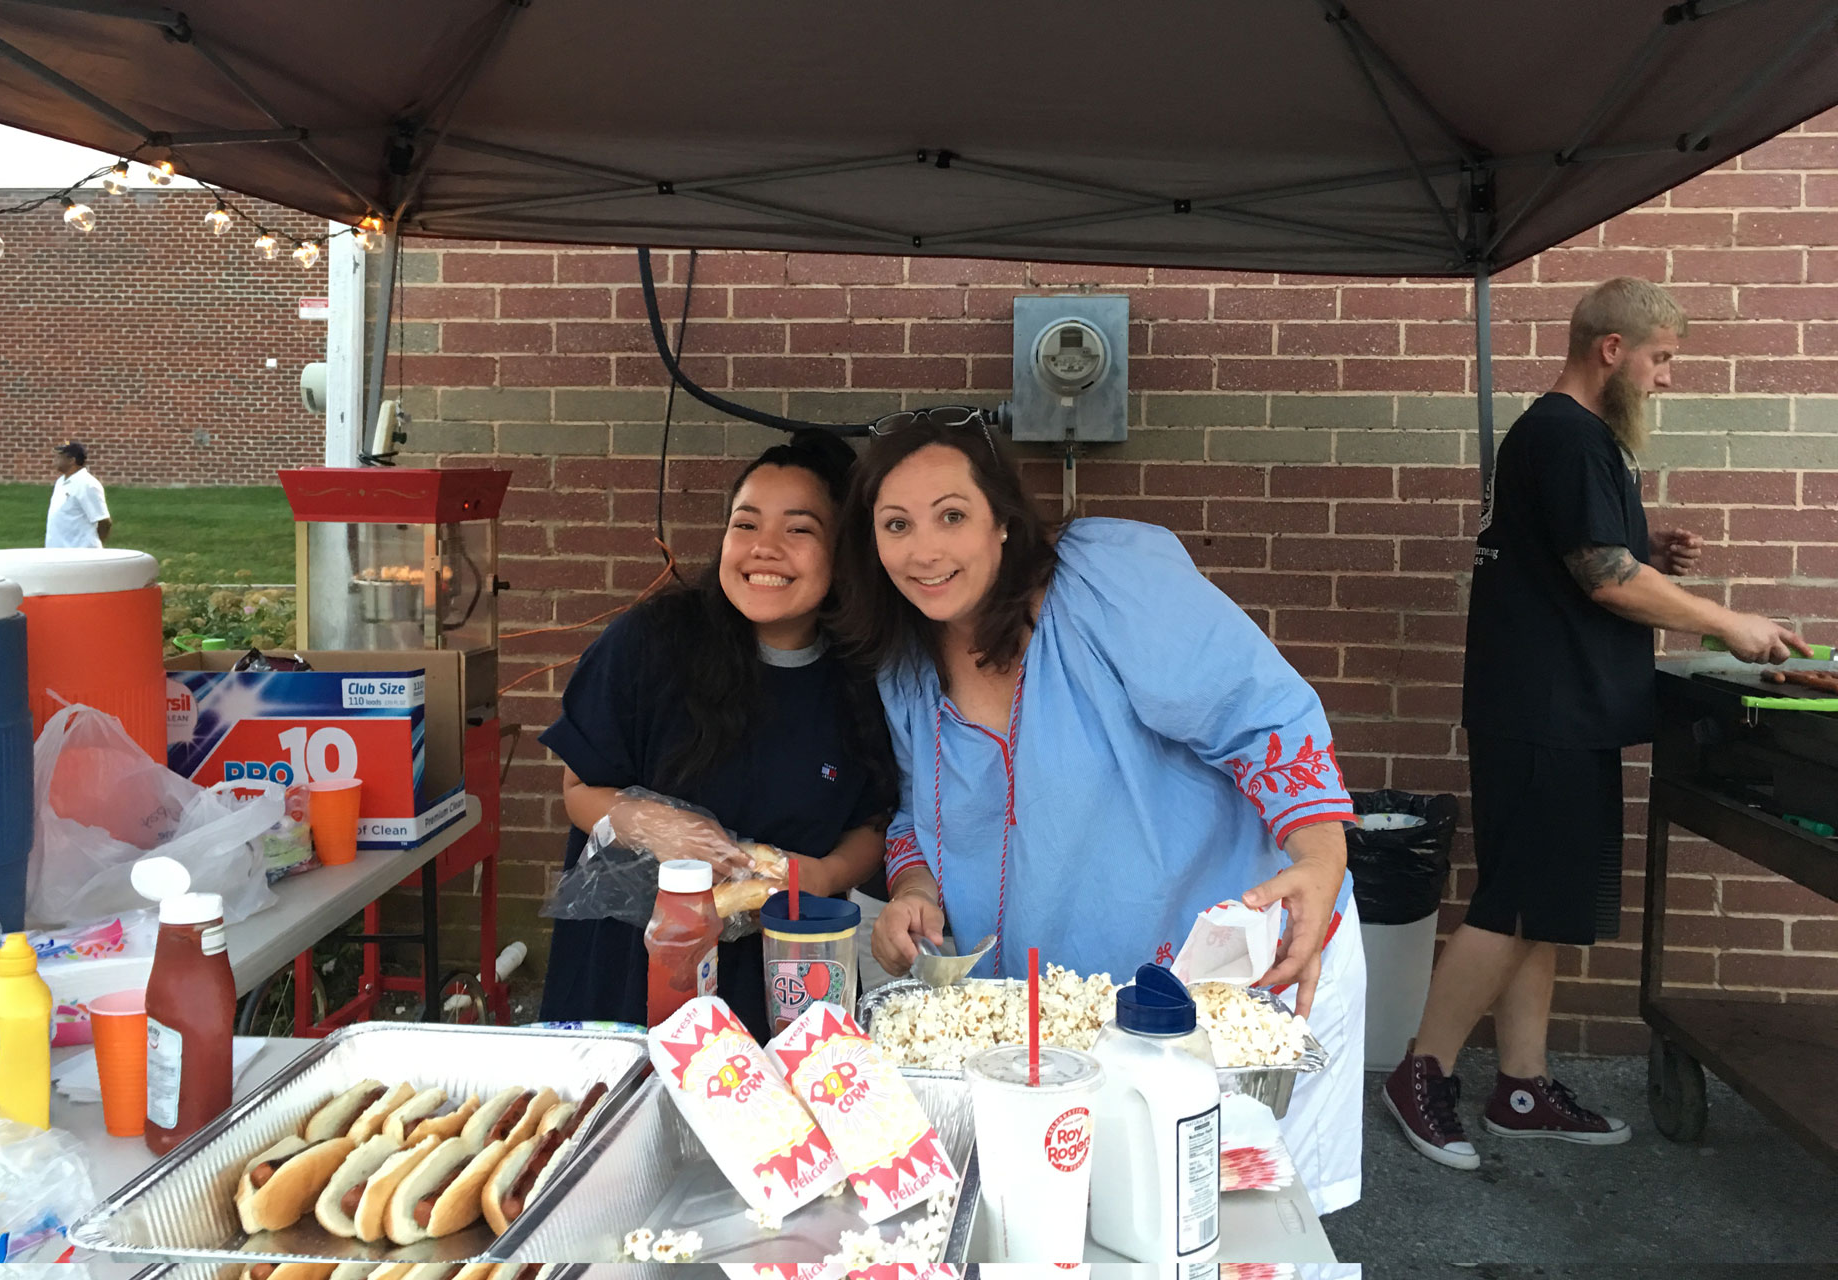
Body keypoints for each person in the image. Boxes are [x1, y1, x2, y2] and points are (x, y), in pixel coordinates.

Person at [835, 411, 1365, 1215]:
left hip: (1241, 971)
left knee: (1247, 1231)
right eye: (896, 525)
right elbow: (918, 817)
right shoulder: (905, 665)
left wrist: (1321, 858)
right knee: (1103, 1224)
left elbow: (1263, 717)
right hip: (1071, 1026)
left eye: (952, 515)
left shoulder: (1104, 585)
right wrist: (915, 891)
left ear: (1003, 522)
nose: (925, 550)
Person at [1383, 278, 1811, 1170]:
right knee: (1511, 902)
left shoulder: (1570, 439)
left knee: (1540, 906)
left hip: (1555, 707)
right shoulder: (1569, 436)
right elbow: (1605, 579)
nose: (1667, 377)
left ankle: (1523, 1086)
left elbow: (1581, 554)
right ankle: (1422, 1072)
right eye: (1661, 358)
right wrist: (1724, 620)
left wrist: (1648, 550)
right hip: (1544, 709)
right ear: (1611, 350)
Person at [537, 429, 895, 1041]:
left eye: (799, 530)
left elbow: (875, 821)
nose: (764, 549)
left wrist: (824, 874)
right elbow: (579, 790)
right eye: (745, 524)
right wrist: (657, 825)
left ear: (843, 553)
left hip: (784, 978)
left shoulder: (865, 676)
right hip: (632, 965)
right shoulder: (650, 642)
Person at [46, 440, 111, 548]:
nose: (54, 459)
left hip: (80, 553)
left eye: (59, 457)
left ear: (72, 460)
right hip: (57, 552)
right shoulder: (61, 481)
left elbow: (103, 521)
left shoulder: (87, 484)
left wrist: (93, 545)